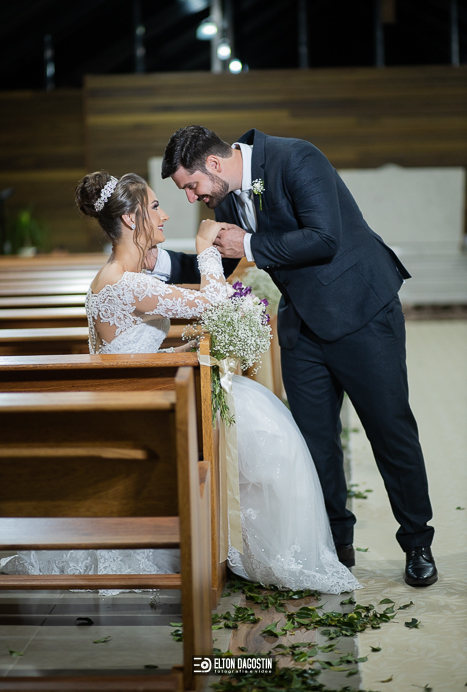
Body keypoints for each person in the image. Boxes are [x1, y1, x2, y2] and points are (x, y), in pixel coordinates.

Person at [0, 170, 360, 596]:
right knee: (269, 428)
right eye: (155, 206)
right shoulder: (126, 284)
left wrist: (183, 350)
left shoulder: (117, 279)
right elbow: (215, 304)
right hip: (148, 415)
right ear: (131, 219)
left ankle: (239, 543)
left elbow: (132, 352)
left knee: (258, 417)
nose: (165, 215)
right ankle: (257, 551)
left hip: (145, 399)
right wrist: (204, 249)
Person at [152, 125, 437, 588]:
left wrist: (247, 245)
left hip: (362, 310)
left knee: (390, 430)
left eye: (191, 185)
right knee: (315, 443)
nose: (191, 197)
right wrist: (157, 263)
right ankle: (336, 547)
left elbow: (324, 237)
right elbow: (223, 261)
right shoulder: (223, 195)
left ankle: (417, 542)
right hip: (302, 326)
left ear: (215, 164)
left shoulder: (297, 158)